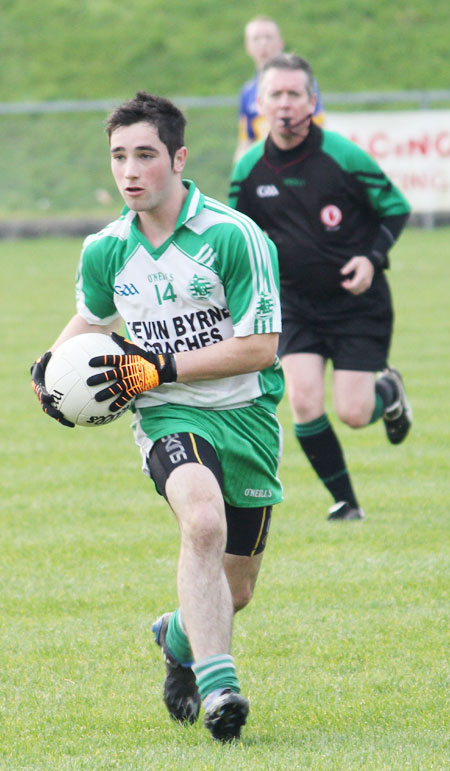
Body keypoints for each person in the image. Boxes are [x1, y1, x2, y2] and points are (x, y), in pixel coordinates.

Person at [30, 91, 285, 742]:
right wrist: (50, 370)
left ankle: (177, 636)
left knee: (240, 586)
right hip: (168, 414)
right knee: (202, 518)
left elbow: (259, 348)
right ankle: (220, 686)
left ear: (178, 158)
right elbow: (91, 319)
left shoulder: (233, 236)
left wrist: (158, 363)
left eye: (145, 154)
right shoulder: (106, 250)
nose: (130, 170)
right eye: (119, 156)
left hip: (246, 414)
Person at [229, 54, 412, 522]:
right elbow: (239, 238)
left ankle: (388, 394)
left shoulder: (343, 156)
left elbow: (395, 208)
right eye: (276, 94)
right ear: (260, 105)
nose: (286, 104)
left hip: (356, 302)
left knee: (353, 411)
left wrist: (371, 259)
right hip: (293, 304)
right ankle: (347, 503)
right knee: (303, 399)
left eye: (295, 94)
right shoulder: (248, 170)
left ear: (313, 101)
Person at [234, 16, 325, 162]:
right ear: (248, 47)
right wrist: (238, 176)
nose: (263, 43)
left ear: (280, 42)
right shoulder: (247, 91)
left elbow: (319, 129)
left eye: (269, 37)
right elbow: (246, 141)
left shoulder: (303, 82)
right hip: (265, 169)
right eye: (256, 38)